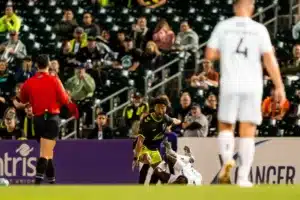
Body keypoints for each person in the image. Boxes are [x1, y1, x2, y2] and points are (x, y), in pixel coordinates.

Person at [205, 0, 286, 187]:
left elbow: (209, 54)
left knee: (226, 126)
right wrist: (279, 85)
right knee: (248, 130)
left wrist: (225, 51)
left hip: (230, 83)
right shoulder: (259, 29)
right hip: (252, 85)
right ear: (252, 7)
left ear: (234, 6)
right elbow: (269, 59)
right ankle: (243, 178)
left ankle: (227, 161)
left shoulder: (223, 26)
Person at [20, 54, 69, 184]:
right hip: (52, 118)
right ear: (48, 65)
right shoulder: (55, 80)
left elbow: (23, 99)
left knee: (47, 152)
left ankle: (52, 182)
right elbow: (64, 100)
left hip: (38, 120)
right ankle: (37, 182)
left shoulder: (29, 82)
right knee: (46, 152)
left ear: (36, 65)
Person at [132, 97, 182, 184]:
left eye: (163, 107)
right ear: (154, 108)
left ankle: (166, 185)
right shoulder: (147, 122)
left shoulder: (166, 118)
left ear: (166, 108)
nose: (160, 110)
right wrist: (135, 157)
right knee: (147, 161)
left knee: (159, 171)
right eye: (158, 107)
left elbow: (174, 120)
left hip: (154, 149)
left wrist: (178, 121)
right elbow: (140, 141)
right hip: (143, 147)